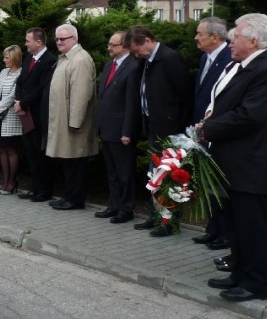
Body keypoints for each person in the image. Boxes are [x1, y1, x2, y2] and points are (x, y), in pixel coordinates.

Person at [200, 13, 267, 302]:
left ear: (253, 40)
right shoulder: (247, 65)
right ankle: (239, 273)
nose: (230, 42)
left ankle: (255, 283)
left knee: (253, 226)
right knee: (238, 224)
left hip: (253, 163)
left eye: (235, 37)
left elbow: (251, 115)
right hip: (237, 161)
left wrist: (209, 128)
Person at [124, 25, 193, 236]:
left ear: (147, 40)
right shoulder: (148, 61)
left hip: (170, 129)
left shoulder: (169, 58)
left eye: (137, 50)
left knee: (170, 176)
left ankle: (169, 223)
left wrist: (179, 126)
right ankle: (155, 217)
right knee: (155, 174)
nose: (137, 55)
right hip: (154, 126)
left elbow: (185, 94)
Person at [46, 24, 98, 210]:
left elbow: (81, 94)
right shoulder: (66, 58)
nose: (59, 42)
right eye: (57, 39)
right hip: (64, 121)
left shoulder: (80, 59)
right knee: (68, 161)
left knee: (75, 161)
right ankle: (68, 196)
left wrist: (75, 122)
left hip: (74, 124)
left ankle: (75, 199)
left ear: (74, 39)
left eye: (63, 39)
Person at [192, 17, 233, 249]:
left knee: (220, 184)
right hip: (202, 130)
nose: (196, 38)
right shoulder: (204, 58)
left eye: (200, 34)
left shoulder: (229, 58)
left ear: (215, 37)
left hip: (218, 131)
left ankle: (225, 233)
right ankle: (213, 228)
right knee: (207, 183)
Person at [95, 31, 141, 223]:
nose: (109, 48)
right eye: (109, 44)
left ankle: (126, 208)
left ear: (124, 46)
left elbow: (132, 103)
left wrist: (127, 131)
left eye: (112, 45)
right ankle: (113, 205)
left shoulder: (133, 67)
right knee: (112, 172)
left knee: (125, 173)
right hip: (107, 127)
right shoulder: (109, 65)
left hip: (121, 129)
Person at [15, 28, 55, 201]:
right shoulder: (28, 59)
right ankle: (34, 187)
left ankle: (44, 190)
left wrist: (23, 103)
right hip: (25, 113)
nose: (25, 44)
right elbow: (20, 82)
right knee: (30, 152)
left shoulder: (49, 60)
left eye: (28, 41)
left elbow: (41, 88)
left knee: (40, 153)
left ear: (39, 42)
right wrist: (18, 101)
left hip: (38, 114)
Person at [0, 45, 24, 195]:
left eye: (7, 57)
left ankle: (12, 182)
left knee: (11, 150)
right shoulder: (3, 72)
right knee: (2, 149)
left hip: (11, 118)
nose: (4, 60)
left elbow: (12, 96)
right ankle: (5, 180)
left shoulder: (20, 74)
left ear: (15, 58)